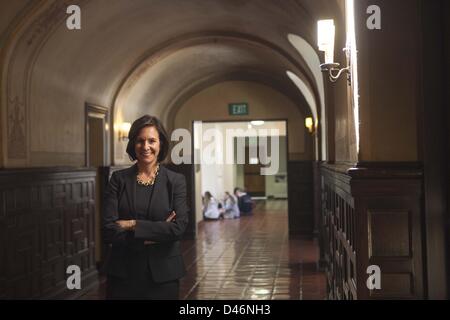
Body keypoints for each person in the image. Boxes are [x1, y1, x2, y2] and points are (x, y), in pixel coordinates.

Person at [103, 115, 188, 300]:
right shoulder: (118, 180)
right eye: (140, 141)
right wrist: (154, 235)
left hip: (163, 275)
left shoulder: (175, 181)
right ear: (133, 144)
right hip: (122, 274)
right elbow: (109, 229)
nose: (146, 146)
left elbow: (178, 228)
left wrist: (132, 224)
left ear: (161, 144)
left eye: (152, 141)